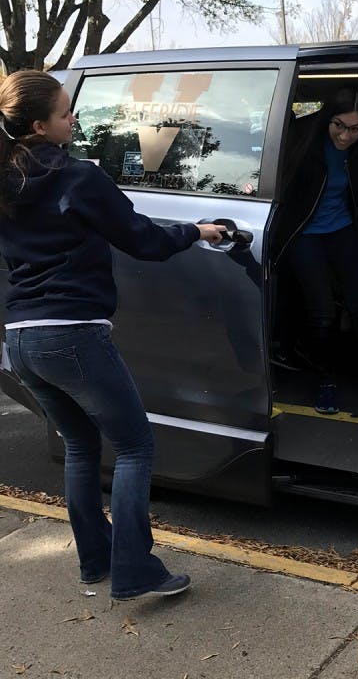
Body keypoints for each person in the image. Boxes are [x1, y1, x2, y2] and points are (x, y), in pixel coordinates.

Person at [0, 70, 226, 599]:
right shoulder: (80, 178)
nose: (73, 118)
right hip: (73, 333)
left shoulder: (6, 183)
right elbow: (141, 238)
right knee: (134, 446)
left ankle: (97, 562)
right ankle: (134, 569)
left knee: (80, 446)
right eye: (64, 112)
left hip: (21, 339)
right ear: (39, 124)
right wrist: (196, 230)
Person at [272, 85, 358, 416]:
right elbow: (279, 190)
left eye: (355, 128)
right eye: (339, 126)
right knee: (323, 311)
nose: (345, 136)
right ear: (327, 119)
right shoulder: (304, 141)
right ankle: (326, 381)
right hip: (305, 233)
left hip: (342, 229)